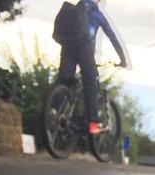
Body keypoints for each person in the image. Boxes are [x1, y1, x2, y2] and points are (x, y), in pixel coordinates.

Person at [53, 0, 128, 135]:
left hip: (67, 47)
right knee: (91, 83)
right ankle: (93, 123)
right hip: (85, 50)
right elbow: (112, 37)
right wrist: (123, 59)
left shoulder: (75, 9)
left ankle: (54, 110)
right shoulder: (97, 14)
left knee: (65, 79)